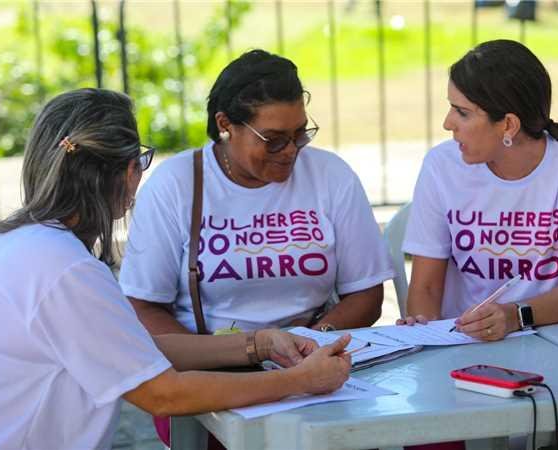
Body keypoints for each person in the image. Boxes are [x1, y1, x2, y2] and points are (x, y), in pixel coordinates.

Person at [0, 88, 353, 450]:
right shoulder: (65, 269)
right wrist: (299, 381)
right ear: (129, 171)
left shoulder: (17, 242)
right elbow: (164, 393)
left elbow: (128, 347)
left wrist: (260, 343)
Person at [120, 49, 393, 335]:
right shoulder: (175, 184)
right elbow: (143, 308)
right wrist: (229, 355)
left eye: (300, 134)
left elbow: (366, 294)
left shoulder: (331, 175)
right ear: (225, 125)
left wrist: (311, 342)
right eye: (273, 140)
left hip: (313, 356)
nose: (290, 151)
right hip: (212, 368)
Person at [399, 39, 558, 341]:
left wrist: (515, 316)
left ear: (508, 125)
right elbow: (426, 289)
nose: (448, 123)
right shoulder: (441, 165)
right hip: (460, 346)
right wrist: (425, 332)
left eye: (462, 112)